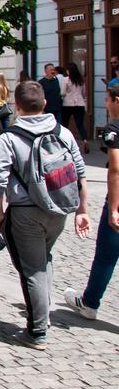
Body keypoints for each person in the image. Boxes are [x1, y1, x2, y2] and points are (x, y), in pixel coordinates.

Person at [0, 81, 91, 350]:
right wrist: (83, 210)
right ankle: (43, 317)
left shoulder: (9, 138)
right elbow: (80, 172)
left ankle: (37, 330)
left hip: (25, 213)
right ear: (45, 104)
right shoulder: (63, 133)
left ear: (17, 107)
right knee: (44, 260)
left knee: (32, 269)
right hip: (59, 210)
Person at [65, 84, 119, 320]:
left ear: (116, 100)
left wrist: (114, 207)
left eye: (107, 99)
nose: (106, 104)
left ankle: (89, 303)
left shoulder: (113, 129)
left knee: (106, 255)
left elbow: (116, 170)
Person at [60, 62, 89, 154]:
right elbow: (84, 93)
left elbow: (63, 92)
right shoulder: (80, 80)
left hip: (67, 104)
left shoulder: (66, 80)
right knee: (80, 124)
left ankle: (65, 142)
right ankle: (85, 140)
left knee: (65, 124)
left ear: (69, 71)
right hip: (80, 104)